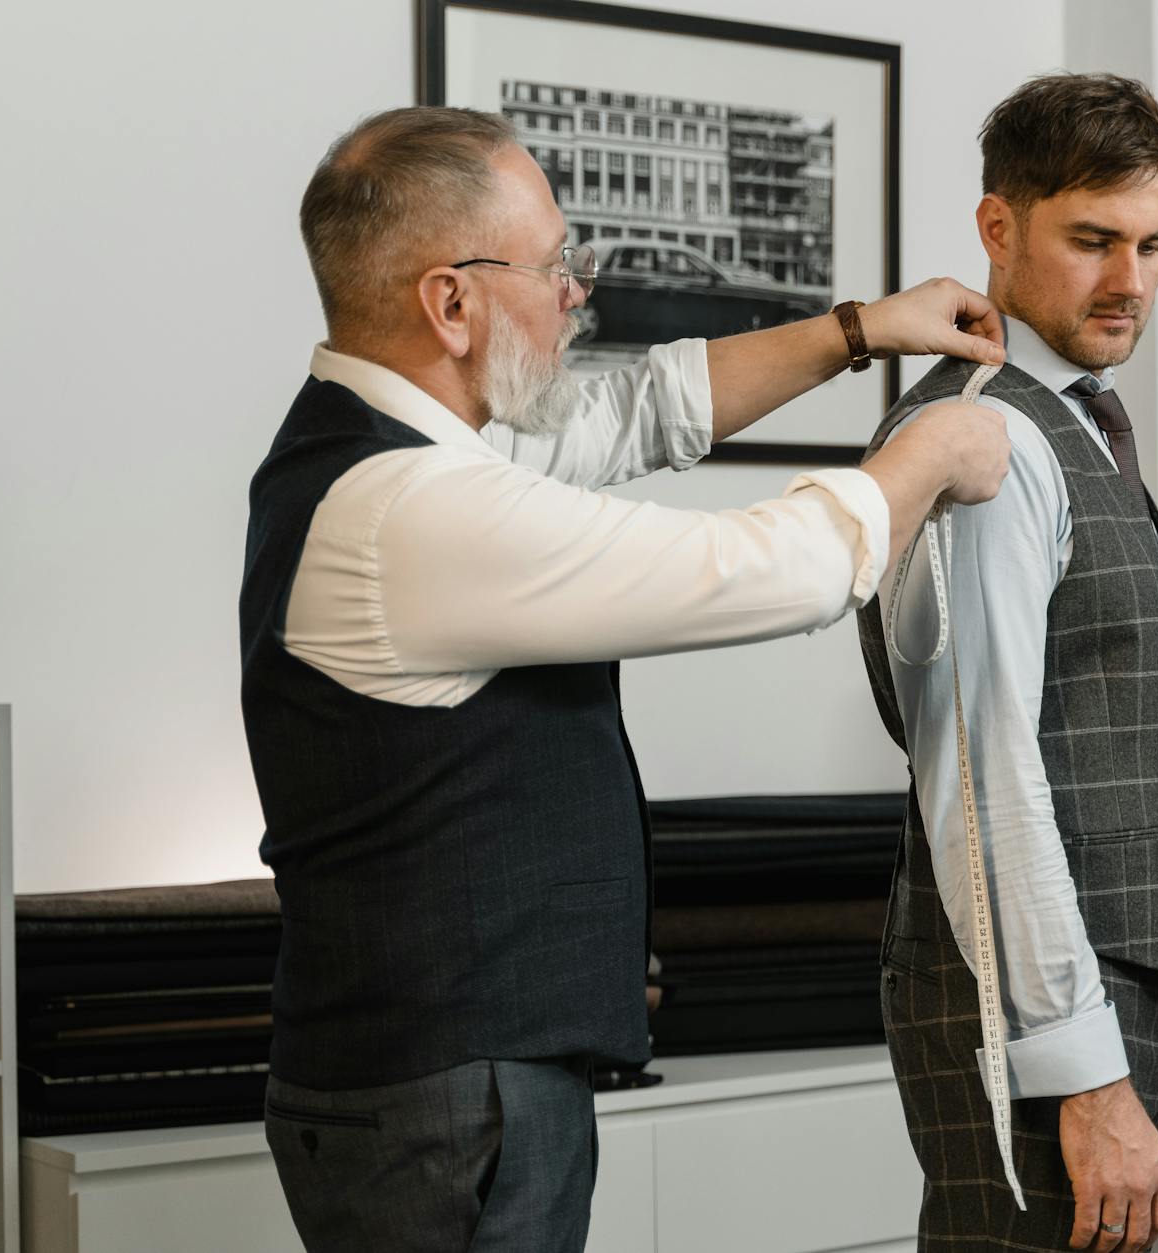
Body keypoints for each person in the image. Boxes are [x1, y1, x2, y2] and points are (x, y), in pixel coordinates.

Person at [240, 106, 1010, 1253]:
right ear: (449, 302)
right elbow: (757, 567)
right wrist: (928, 453)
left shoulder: (387, 446)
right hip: (449, 1101)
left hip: (435, 1082)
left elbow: (639, 409)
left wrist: (862, 330)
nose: (575, 291)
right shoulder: (409, 509)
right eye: (554, 264)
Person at [856, 74, 1158, 1252]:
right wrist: (1084, 1071)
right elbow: (985, 781)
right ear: (997, 228)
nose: (1130, 281)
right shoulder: (990, 440)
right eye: (1093, 241)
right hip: (1027, 1007)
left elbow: (1112, 741)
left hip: (1109, 994)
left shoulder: (1071, 420)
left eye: (1154, 244)